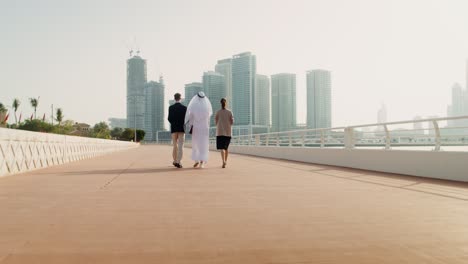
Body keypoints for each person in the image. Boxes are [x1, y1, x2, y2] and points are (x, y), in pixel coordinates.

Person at [184, 91, 212, 168]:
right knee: (203, 144)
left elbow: (190, 117)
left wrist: (190, 125)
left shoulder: (193, 105)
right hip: (204, 127)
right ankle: (202, 162)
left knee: (196, 143)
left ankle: (196, 160)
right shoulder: (207, 107)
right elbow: (208, 118)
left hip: (196, 127)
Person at [168, 93, 187, 168]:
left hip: (174, 129)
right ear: (180, 98)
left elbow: (169, 118)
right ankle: (178, 161)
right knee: (180, 145)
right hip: (181, 128)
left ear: (174, 98)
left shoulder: (171, 107)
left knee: (175, 145)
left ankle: (175, 160)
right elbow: (186, 119)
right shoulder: (184, 108)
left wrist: (173, 124)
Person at [215, 98, 234, 168]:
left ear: (220, 103)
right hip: (228, 133)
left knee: (222, 148)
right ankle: (226, 161)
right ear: (226, 103)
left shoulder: (218, 112)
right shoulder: (230, 112)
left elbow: (216, 122)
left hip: (219, 132)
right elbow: (232, 122)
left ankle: (223, 161)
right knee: (226, 148)